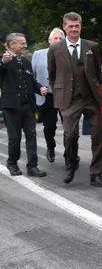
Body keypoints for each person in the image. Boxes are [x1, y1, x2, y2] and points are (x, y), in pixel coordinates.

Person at [47, 12, 102, 187]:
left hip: (90, 98)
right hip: (69, 100)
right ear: (64, 27)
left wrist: (94, 88)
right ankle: (71, 164)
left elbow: (96, 70)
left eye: (77, 26)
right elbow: (52, 75)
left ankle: (96, 173)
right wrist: (61, 91)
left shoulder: (92, 46)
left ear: (81, 26)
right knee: (70, 135)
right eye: (70, 26)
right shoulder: (55, 49)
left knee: (98, 135)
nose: (74, 29)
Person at [1, 33, 48, 177]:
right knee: (14, 138)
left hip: (28, 106)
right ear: (12, 44)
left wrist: (40, 88)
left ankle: (32, 166)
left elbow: (31, 81)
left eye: (25, 43)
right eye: (22, 43)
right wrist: (3, 62)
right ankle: (12, 163)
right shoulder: (4, 61)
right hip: (12, 106)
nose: (25, 46)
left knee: (31, 135)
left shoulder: (26, 62)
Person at [31, 27, 64, 163]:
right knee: (49, 126)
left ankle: (71, 151)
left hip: (64, 95)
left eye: (61, 38)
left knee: (70, 126)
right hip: (46, 96)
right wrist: (38, 89)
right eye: (56, 38)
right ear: (49, 40)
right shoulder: (38, 54)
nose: (59, 40)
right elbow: (32, 76)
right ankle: (50, 147)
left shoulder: (69, 53)